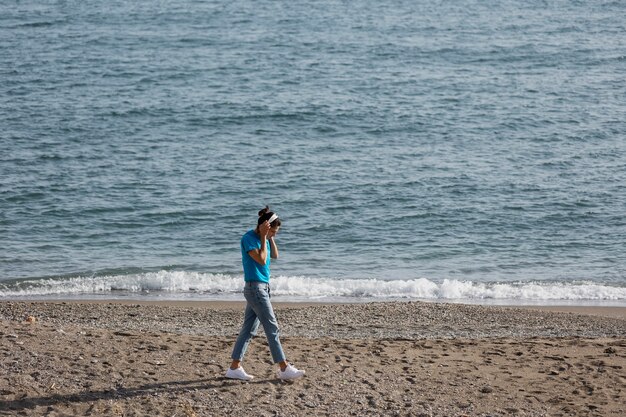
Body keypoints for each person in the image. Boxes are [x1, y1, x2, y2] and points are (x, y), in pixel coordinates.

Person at [225, 206, 306, 381]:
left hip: (263, 288)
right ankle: (284, 368)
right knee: (272, 327)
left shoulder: (266, 239)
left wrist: (269, 237)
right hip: (255, 288)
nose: (274, 235)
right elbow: (261, 261)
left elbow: (274, 255)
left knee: (248, 330)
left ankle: (234, 367)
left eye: (275, 232)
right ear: (264, 227)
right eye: (274, 231)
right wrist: (263, 236)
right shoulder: (249, 239)